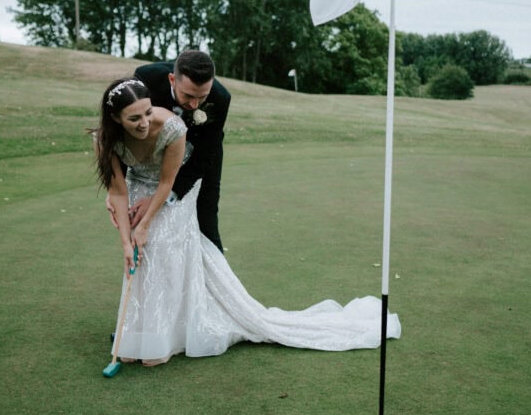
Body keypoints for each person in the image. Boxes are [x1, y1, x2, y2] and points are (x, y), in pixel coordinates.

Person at [95, 77, 401, 367]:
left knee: (160, 246)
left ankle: (163, 339)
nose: (145, 122)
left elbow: (167, 183)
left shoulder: (172, 127)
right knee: (139, 256)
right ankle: (136, 337)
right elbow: (119, 192)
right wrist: (126, 240)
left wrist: (147, 223)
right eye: (134, 119)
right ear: (115, 119)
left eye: (148, 112)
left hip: (173, 191)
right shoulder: (105, 140)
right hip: (137, 189)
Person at [133, 50, 230, 251]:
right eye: (188, 95)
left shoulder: (221, 98)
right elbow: (128, 131)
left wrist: (166, 196)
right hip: (159, 150)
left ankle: (213, 278)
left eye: (202, 97)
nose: (194, 104)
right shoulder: (146, 80)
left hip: (202, 151)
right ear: (172, 80)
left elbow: (204, 155)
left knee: (207, 216)